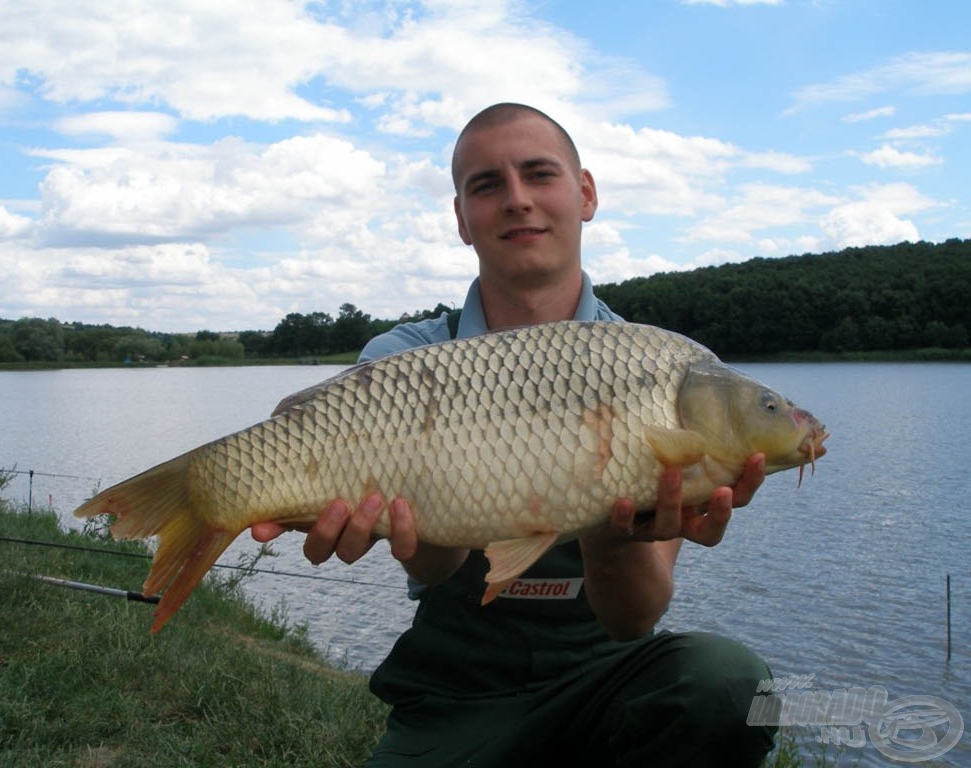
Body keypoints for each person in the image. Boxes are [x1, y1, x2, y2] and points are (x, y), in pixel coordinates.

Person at [252, 103, 776, 767]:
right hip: (455, 694)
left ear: (584, 194)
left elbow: (632, 620)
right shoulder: (402, 362)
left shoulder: (656, 370)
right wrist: (394, 527)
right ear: (461, 218)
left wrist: (612, 525)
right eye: (487, 185)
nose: (517, 200)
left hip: (605, 684)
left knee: (735, 684)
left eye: (539, 174)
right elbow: (434, 568)